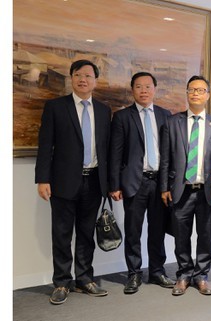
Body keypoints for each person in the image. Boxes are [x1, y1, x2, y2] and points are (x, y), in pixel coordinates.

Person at [35, 59, 111, 304]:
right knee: (62, 233)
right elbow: (45, 146)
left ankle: (85, 278)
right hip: (63, 181)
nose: (83, 79)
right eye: (78, 75)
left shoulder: (103, 110)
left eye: (88, 75)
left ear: (95, 81)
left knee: (87, 234)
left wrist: (110, 182)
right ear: (71, 78)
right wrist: (43, 179)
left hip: (94, 181)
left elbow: (107, 149)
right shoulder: (56, 107)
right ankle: (61, 282)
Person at [109, 72, 175, 294]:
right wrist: (114, 185)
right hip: (133, 183)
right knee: (133, 230)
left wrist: (171, 184)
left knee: (158, 230)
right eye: (139, 87)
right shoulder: (122, 117)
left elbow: (172, 152)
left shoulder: (166, 115)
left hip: (160, 183)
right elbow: (115, 154)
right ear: (132, 90)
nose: (144, 91)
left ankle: (157, 271)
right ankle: (134, 274)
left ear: (155, 89)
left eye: (148, 86)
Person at [159, 75, 211, 296]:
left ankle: (202, 276)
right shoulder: (172, 122)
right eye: (191, 90)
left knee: (206, 236)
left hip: (206, 192)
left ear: (208, 95)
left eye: (200, 90)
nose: (196, 93)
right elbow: (165, 158)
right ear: (186, 94)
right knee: (181, 236)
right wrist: (164, 187)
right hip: (181, 191)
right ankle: (184, 274)